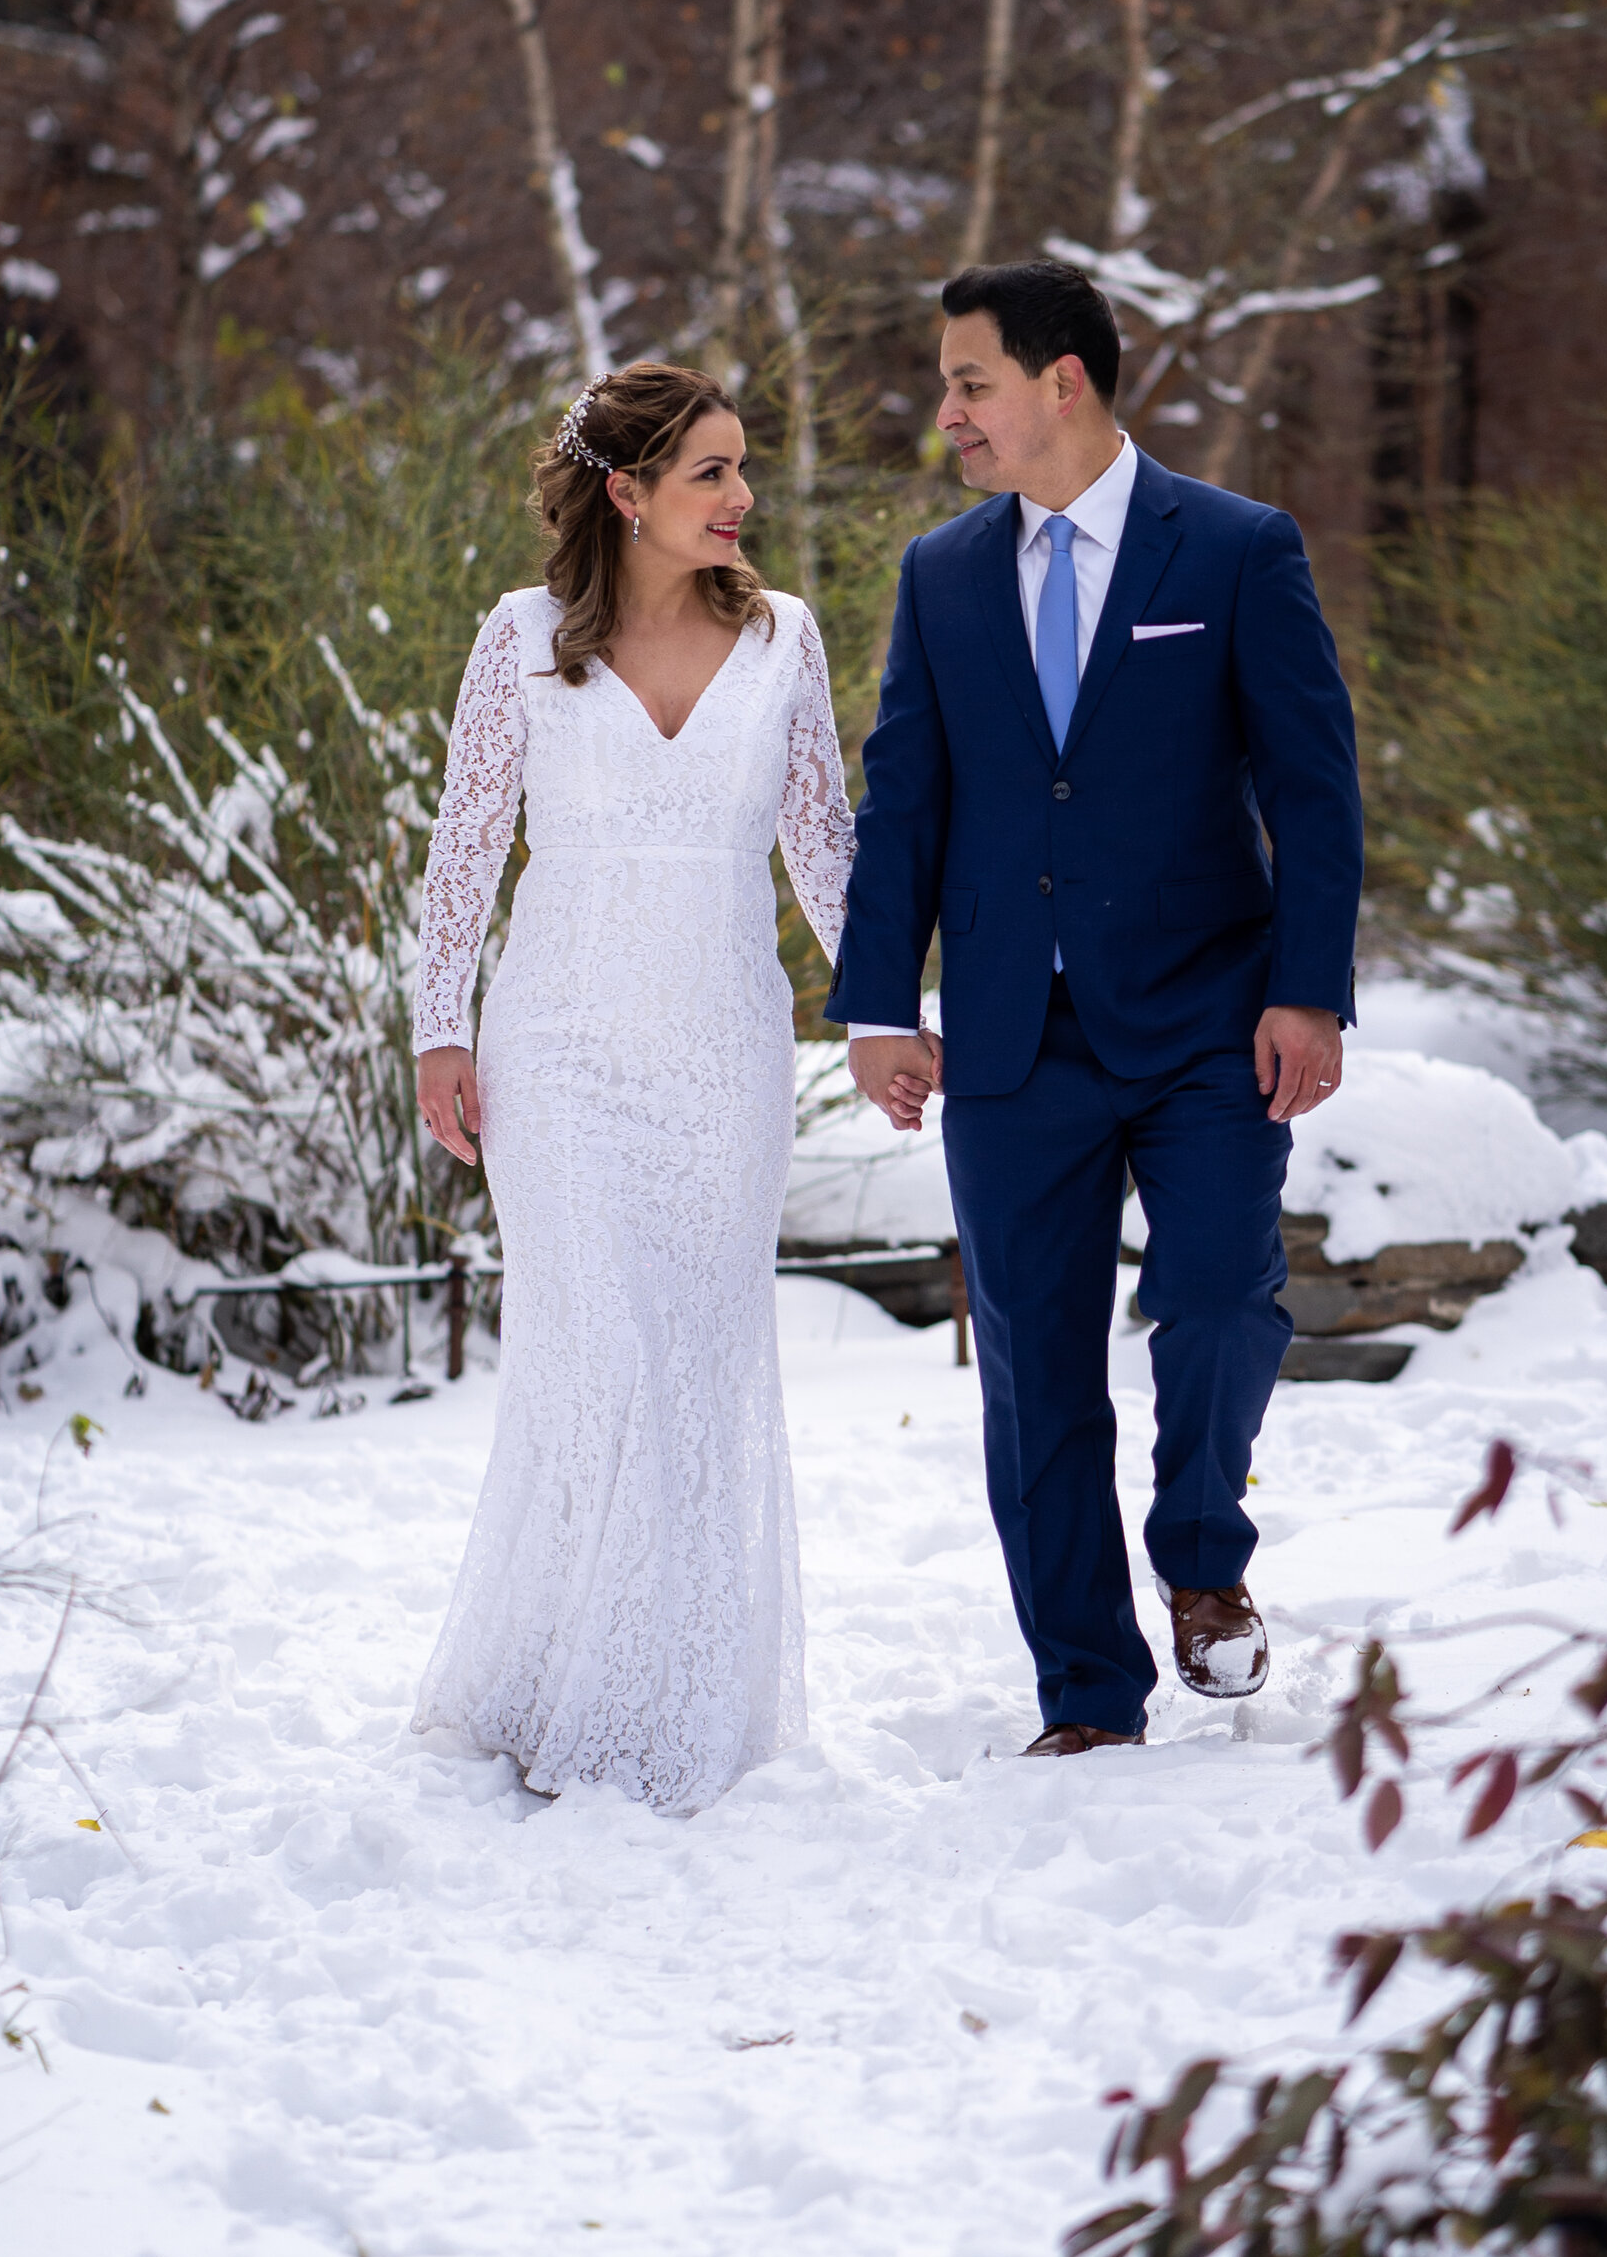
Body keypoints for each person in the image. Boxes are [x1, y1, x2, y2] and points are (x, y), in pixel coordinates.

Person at [829, 260, 1363, 1756]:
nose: (948, 413)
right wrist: (880, 1001)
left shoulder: (1238, 550)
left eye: (970, 381)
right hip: (1007, 1032)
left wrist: (1310, 991)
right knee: (1033, 1369)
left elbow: (1314, 788)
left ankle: (1202, 1556)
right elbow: (907, 794)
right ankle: (1084, 1693)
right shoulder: (942, 574)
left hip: (1209, 1016)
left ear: (1064, 379)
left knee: (1213, 1294)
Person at [410, 362, 873, 1812]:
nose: (745, 499)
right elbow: (463, 852)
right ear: (626, 492)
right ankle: (581, 1693)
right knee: (600, 1356)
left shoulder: (785, 637)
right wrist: (439, 1030)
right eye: (713, 474)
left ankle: (652, 1699)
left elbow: (827, 853)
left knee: (692, 1372)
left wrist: (880, 1018)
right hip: (553, 1052)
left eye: (745, 469)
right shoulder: (520, 641)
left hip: (722, 1057)